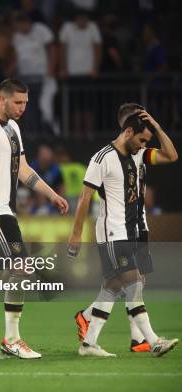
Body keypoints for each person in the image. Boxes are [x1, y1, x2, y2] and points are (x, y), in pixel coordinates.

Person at [0, 78, 68, 359]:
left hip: (1, 210)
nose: (23, 108)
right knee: (21, 267)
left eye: (25, 103)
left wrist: (51, 195)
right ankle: (11, 339)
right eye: (18, 102)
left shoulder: (13, 128)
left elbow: (22, 169)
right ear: (3, 99)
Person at [68, 107, 178, 357]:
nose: (143, 145)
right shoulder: (102, 158)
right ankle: (152, 341)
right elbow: (85, 198)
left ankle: (88, 342)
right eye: (141, 139)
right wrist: (76, 235)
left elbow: (172, 156)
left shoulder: (139, 154)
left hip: (137, 229)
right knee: (132, 283)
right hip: (113, 231)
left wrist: (158, 128)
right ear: (128, 131)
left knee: (115, 285)